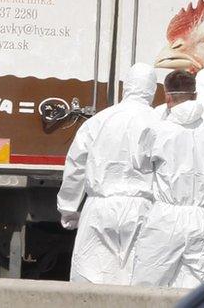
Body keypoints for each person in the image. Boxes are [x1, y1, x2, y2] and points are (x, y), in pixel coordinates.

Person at [131, 70, 204, 288]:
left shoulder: (157, 129)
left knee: (145, 289)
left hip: (164, 217)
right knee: (200, 289)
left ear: (167, 96)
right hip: (199, 218)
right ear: (194, 94)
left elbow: (139, 167)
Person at [56, 62, 160, 285]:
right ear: (153, 89)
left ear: (126, 87)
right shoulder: (160, 123)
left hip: (99, 207)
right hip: (143, 208)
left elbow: (76, 166)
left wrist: (69, 208)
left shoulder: (98, 121)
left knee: (90, 275)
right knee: (135, 278)